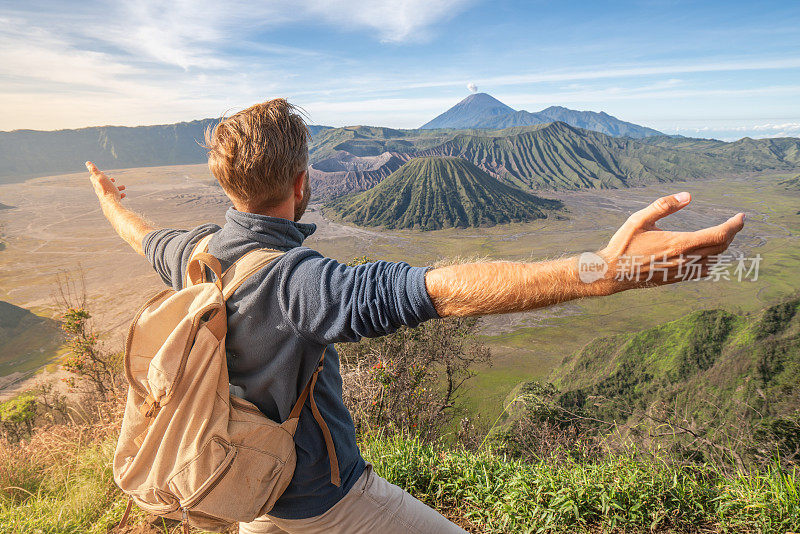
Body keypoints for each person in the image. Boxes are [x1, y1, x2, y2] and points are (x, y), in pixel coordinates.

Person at [86, 98, 745, 534]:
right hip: (323, 503)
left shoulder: (193, 255)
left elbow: (140, 234)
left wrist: (108, 198)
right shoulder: (299, 283)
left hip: (244, 492)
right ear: (301, 182)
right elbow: (441, 291)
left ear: (226, 184)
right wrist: (602, 273)